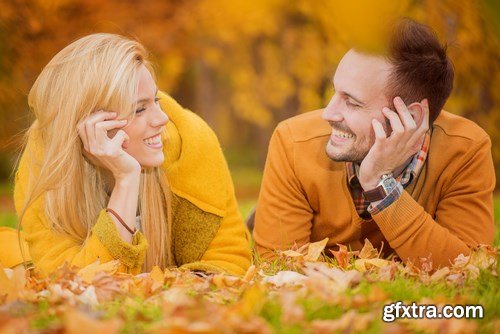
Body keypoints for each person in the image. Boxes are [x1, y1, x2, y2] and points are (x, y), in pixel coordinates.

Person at [253, 19, 495, 268]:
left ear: (409, 117)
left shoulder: (466, 150)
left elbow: (467, 271)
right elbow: (276, 270)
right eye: (334, 93)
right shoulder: (294, 141)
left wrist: (381, 186)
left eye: (352, 102)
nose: (328, 113)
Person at [3, 33, 251, 276]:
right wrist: (126, 179)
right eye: (140, 109)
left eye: (156, 100)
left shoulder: (191, 144)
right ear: (91, 122)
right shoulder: (44, 168)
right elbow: (78, 281)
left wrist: (175, 292)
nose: (161, 118)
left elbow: (227, 259)